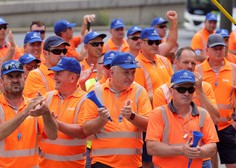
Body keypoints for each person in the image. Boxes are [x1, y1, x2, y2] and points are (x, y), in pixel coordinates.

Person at [82, 52, 152, 167]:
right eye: (126, 73)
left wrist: (132, 116)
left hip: (132, 163)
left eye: (133, 73)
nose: (130, 77)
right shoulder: (96, 92)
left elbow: (148, 126)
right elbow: (86, 130)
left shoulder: (140, 91)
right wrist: (101, 120)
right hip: (102, 163)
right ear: (112, 73)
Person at [146, 70, 219, 168]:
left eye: (190, 89)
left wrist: (199, 151)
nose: (186, 93)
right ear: (171, 91)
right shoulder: (158, 113)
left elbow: (212, 146)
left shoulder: (203, 114)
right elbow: (151, 147)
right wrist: (181, 150)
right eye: (181, 89)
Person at [0, 60, 58, 167]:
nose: (15, 80)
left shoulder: (34, 104)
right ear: (1, 81)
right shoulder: (30, 106)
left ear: (24, 79)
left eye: (18, 76)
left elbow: (53, 135)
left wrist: (47, 114)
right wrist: (25, 112)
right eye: (10, 77)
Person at [196, 34, 236, 168]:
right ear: (207, 50)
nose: (219, 51)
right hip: (205, 127)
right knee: (210, 164)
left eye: (221, 48)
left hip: (227, 127)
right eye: (215, 49)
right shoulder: (199, 69)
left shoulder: (234, 69)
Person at [38, 57, 87, 168]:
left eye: (59, 74)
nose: (54, 77)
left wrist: (55, 123)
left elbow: (82, 131)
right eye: (55, 73)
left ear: (73, 78)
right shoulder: (47, 97)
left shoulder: (85, 100)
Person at [135, 27, 173, 103]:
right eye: (151, 42)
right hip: (151, 111)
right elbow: (139, 95)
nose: (155, 45)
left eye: (157, 42)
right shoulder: (136, 65)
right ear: (141, 43)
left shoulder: (165, 60)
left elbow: (174, 84)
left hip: (170, 109)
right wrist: (163, 96)